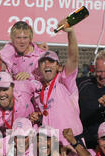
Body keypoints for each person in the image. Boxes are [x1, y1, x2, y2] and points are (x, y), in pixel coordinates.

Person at [29, 18, 83, 147]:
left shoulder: (64, 81)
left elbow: (73, 58)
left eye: (51, 61)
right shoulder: (38, 92)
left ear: (59, 67)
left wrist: (70, 33)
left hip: (72, 141)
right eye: (43, 62)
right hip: (50, 143)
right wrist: (39, 117)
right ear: (39, 68)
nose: (46, 64)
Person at [0, 71, 38, 136]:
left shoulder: (23, 87)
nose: (2, 94)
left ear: (13, 87)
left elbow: (40, 86)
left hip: (35, 135)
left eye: (5, 89)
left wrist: (30, 76)